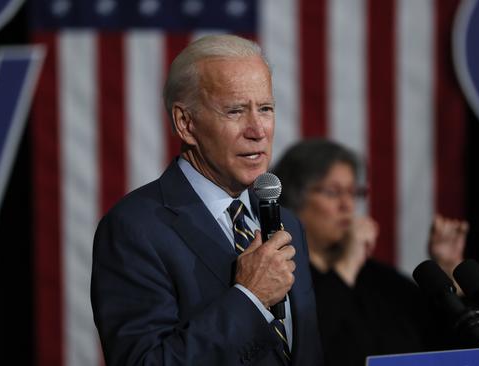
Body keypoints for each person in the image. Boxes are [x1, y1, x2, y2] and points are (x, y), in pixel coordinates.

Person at [90, 35, 324, 365]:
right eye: (235, 111)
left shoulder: (286, 222)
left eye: (266, 109)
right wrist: (250, 298)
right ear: (186, 123)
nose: (257, 129)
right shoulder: (135, 229)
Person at [272, 139, 467, 366]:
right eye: (333, 192)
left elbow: (440, 344)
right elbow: (308, 343)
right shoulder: (280, 275)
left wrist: (448, 282)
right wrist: (347, 265)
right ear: (295, 199)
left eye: (353, 193)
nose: (347, 205)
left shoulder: (381, 280)